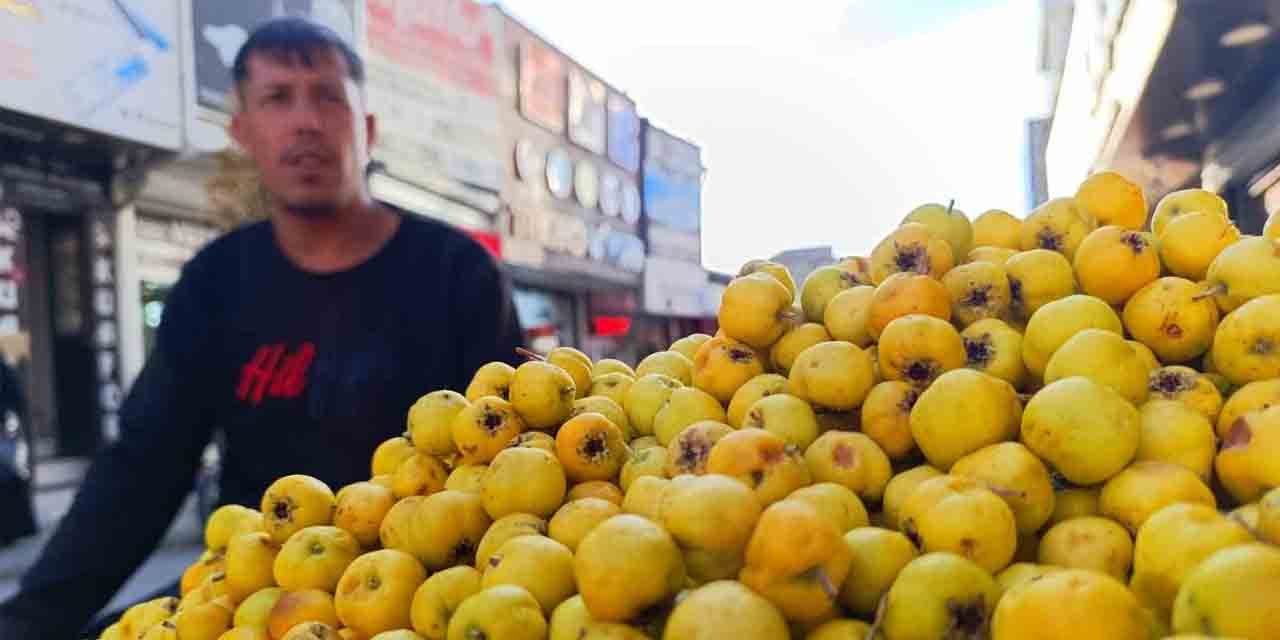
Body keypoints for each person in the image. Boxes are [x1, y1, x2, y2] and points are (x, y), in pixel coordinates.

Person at [0, 17, 523, 639]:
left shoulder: (459, 274)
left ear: (367, 128)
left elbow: (512, 462)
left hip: (423, 598)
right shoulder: (215, 282)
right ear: (242, 131)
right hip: (252, 597)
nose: (306, 121)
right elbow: (141, 469)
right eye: (277, 98)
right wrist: (27, 621)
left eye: (328, 96)